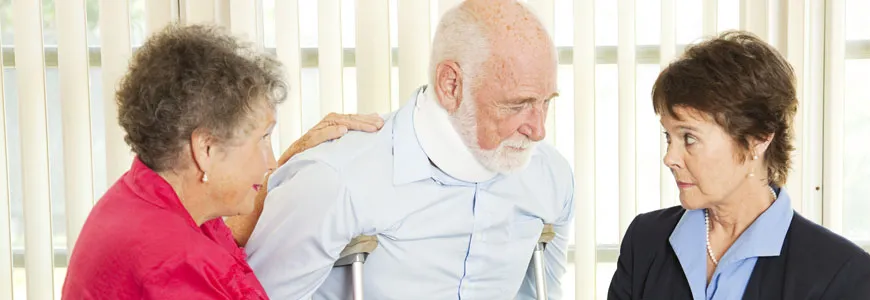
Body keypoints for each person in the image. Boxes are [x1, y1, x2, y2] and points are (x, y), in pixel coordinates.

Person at [229, 0, 573, 299]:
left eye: (546, 102)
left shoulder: (551, 179)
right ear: (451, 85)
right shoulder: (333, 180)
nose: (538, 129)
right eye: (517, 105)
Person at [61, 24, 383, 299]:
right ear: (207, 149)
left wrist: (291, 162)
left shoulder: (156, 197)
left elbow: (227, 246)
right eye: (262, 139)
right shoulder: (173, 262)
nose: (269, 162)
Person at [607, 31, 870, 299]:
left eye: (689, 138)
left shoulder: (839, 273)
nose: (670, 158)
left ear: (757, 139)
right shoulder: (645, 240)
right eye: (669, 137)